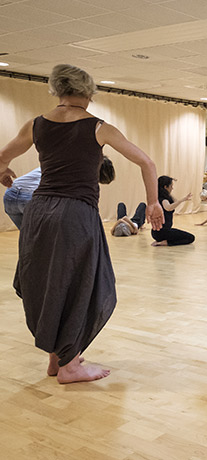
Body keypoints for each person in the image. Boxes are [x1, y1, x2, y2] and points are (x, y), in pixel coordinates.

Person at [0, 64, 163, 383]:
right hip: (75, 215)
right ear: (88, 92)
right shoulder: (98, 127)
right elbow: (147, 161)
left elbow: (1, 157)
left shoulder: (36, 125)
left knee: (47, 283)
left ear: (57, 91)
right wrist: (154, 202)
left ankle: (57, 357)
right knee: (82, 284)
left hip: (40, 211)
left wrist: (3, 172)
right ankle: (70, 366)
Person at [151, 175, 194, 247]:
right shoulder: (163, 200)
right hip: (162, 232)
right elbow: (169, 208)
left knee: (183, 236)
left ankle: (163, 241)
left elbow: (173, 203)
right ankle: (164, 242)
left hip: (158, 232)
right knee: (191, 238)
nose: (172, 188)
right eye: (171, 186)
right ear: (165, 187)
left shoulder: (161, 198)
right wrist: (183, 200)